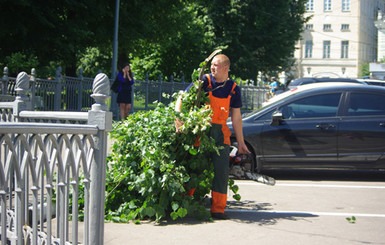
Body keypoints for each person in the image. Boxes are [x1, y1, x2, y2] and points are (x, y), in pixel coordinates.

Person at [175, 54, 250, 219]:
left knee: (222, 172)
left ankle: (218, 209)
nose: (212, 68)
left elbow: (236, 118)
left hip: (221, 135)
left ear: (225, 68)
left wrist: (242, 142)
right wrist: (178, 118)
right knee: (194, 168)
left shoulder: (233, 88)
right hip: (202, 131)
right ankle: (183, 203)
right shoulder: (204, 82)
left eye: (215, 65)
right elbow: (181, 97)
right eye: (212, 65)